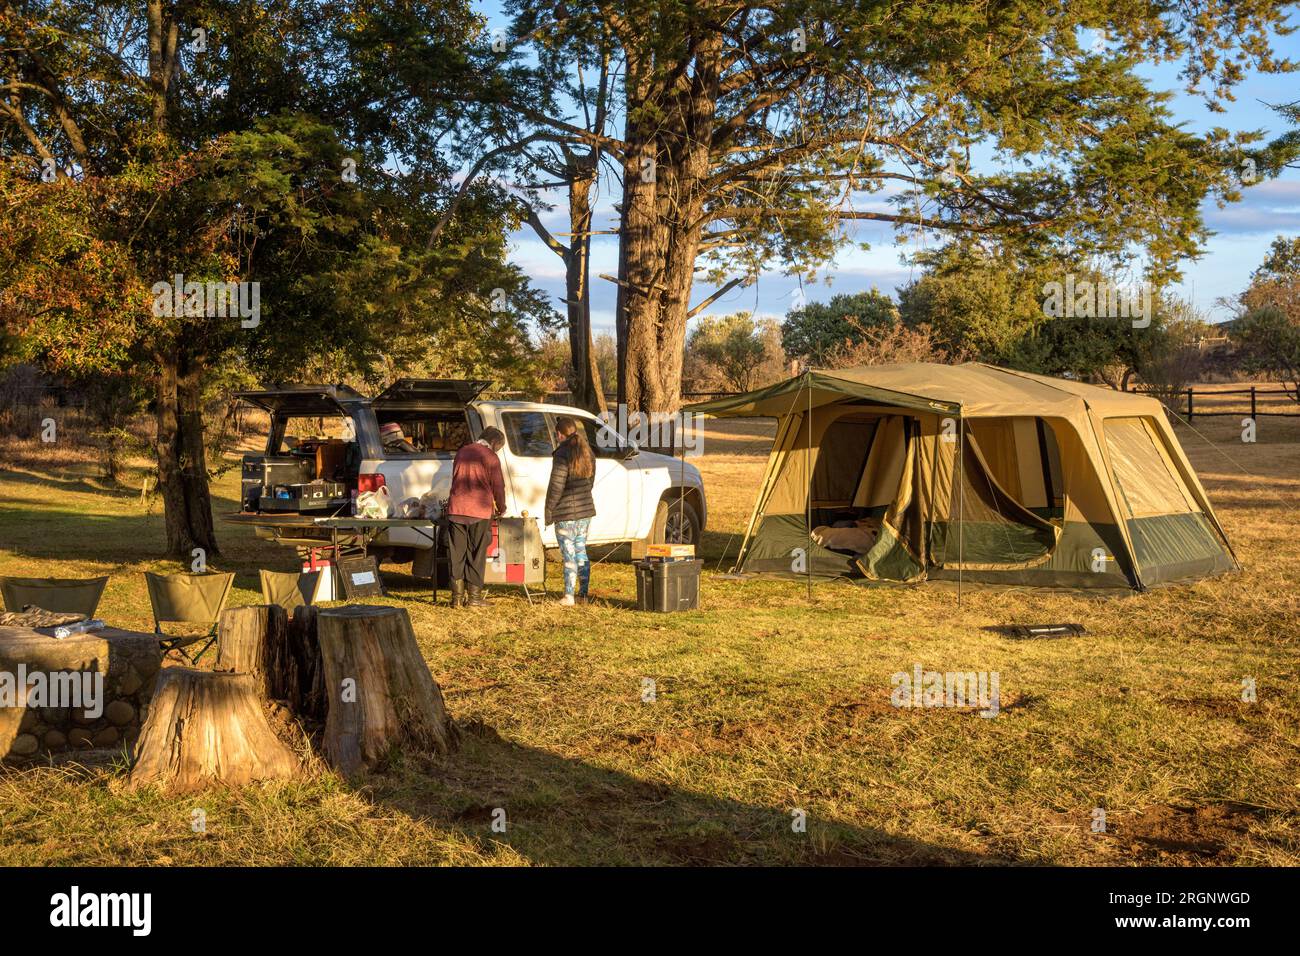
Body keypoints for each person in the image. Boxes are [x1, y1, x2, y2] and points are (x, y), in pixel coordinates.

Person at [446, 426, 507, 608]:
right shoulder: (490, 457)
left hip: (456, 509)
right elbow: (498, 486)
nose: (497, 451)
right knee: (476, 553)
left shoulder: (462, 451)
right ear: (494, 443)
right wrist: (501, 507)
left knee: (457, 554)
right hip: (479, 511)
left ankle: (456, 599)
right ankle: (473, 599)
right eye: (498, 447)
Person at [545, 416, 596, 606]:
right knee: (581, 550)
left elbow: (556, 486)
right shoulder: (587, 451)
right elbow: (590, 480)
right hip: (585, 511)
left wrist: (549, 510)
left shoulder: (561, 454)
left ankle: (568, 596)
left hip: (565, 514)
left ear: (559, 434)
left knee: (568, 554)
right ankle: (583, 594)